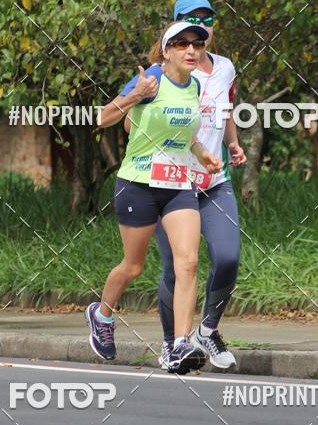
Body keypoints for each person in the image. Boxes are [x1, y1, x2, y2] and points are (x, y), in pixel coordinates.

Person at [86, 20, 222, 374]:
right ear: (166, 50)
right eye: (182, 44)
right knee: (133, 267)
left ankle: (179, 344)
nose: (192, 50)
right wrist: (136, 96)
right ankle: (101, 314)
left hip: (178, 186)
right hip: (139, 184)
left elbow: (185, 135)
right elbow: (102, 118)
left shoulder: (192, 86)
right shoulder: (151, 80)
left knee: (188, 262)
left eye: (197, 43)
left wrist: (202, 153)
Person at [155, 0, 246, 369]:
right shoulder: (165, 72)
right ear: (175, 26)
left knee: (228, 257)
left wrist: (233, 142)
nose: (201, 25)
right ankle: (170, 345)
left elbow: (226, 110)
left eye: (206, 20)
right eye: (191, 19)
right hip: (169, 184)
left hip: (214, 182)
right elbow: (132, 122)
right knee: (176, 269)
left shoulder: (225, 68)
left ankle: (206, 330)